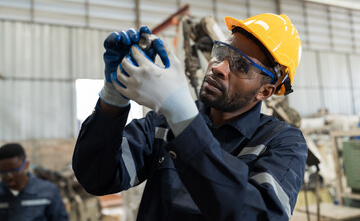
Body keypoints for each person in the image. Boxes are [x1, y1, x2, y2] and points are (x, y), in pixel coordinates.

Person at [72, 13, 307, 221]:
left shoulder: (283, 143)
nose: (218, 67)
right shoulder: (163, 123)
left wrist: (184, 119)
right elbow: (97, 177)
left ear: (265, 91)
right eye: (221, 53)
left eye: (241, 66)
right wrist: (113, 98)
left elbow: (259, 215)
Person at [0, 143, 69, 221]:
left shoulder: (48, 192)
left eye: (14, 171)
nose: (9, 177)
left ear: (26, 165)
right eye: (4, 173)